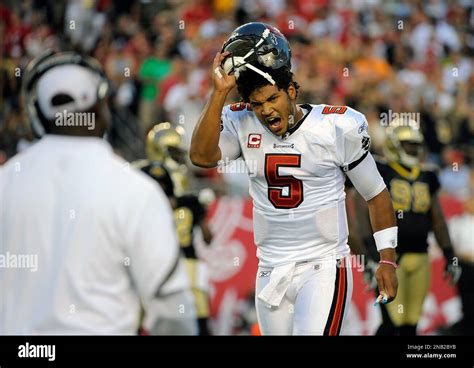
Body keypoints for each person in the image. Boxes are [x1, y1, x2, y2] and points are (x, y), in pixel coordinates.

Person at [190, 22, 398, 335]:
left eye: (272, 99)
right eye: (257, 104)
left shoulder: (334, 127)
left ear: (291, 91)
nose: (266, 111)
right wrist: (219, 93)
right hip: (271, 268)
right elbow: (202, 157)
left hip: (324, 265)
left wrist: (387, 259)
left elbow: (375, 193)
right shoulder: (242, 121)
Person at [0, 50, 197, 335]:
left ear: (37, 113)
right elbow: (172, 308)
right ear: (101, 104)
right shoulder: (134, 189)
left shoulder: (6, 182)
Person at [353, 121, 461, 335]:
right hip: (391, 258)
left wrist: (449, 253)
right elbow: (363, 213)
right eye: (407, 144)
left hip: (421, 256)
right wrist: (371, 255)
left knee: (411, 324)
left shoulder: (427, 175)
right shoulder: (381, 170)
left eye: (415, 144)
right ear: (393, 145)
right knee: (392, 322)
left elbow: (437, 219)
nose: (412, 149)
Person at [135, 159, 214, 335]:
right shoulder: (189, 203)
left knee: (138, 320)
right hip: (187, 268)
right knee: (198, 320)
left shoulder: (141, 204)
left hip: (152, 266)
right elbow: (209, 238)